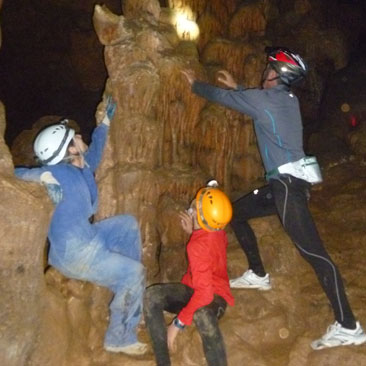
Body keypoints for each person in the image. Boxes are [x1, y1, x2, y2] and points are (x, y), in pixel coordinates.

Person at [181, 47, 366, 350]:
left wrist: (194, 84)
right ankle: (257, 272)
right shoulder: (286, 100)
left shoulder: (267, 100)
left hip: (287, 191)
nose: (264, 72)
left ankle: (348, 325)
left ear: (278, 75)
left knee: (317, 256)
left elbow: (224, 99)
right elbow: (252, 101)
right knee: (237, 213)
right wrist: (238, 86)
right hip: (286, 185)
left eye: (269, 69)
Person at [14, 97, 147, 355]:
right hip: (77, 255)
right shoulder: (58, 174)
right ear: (70, 150)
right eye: (74, 138)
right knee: (135, 273)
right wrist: (39, 175)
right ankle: (119, 336)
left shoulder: (79, 167)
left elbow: (94, 153)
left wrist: (105, 123)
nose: (79, 137)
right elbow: (14, 173)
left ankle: (126, 289)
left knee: (128, 225)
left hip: (88, 238)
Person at [144, 181, 234, 366]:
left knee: (203, 315)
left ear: (200, 216)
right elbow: (207, 243)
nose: (191, 209)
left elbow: (205, 294)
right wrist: (194, 231)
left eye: (194, 207)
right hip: (196, 287)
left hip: (213, 297)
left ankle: (164, 359)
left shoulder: (197, 246)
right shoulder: (218, 230)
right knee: (152, 294)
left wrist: (177, 325)